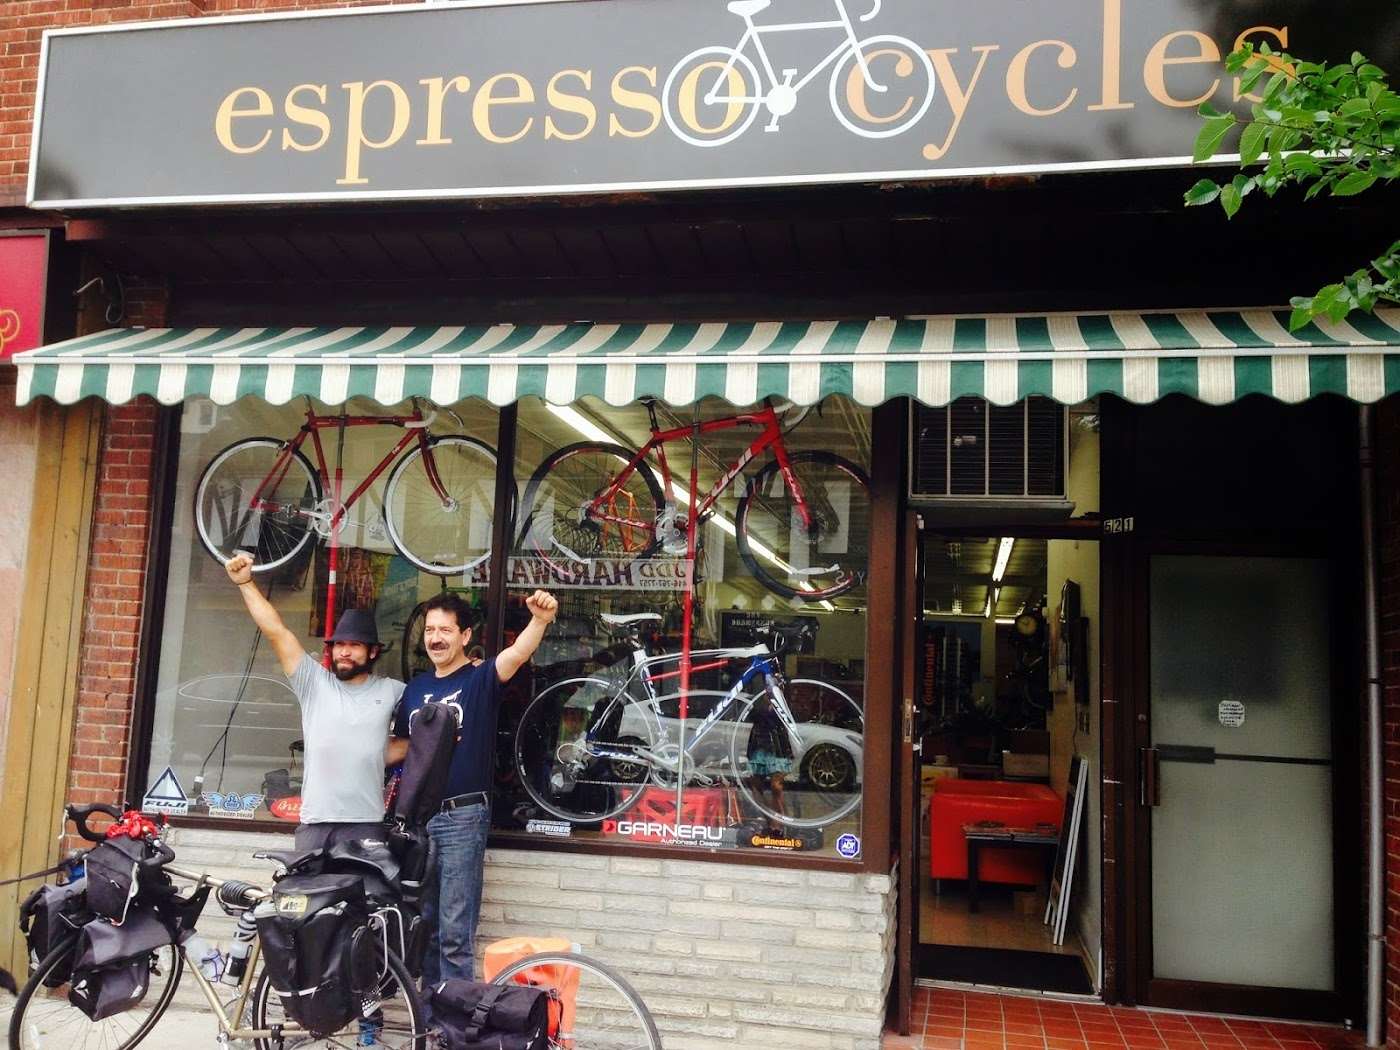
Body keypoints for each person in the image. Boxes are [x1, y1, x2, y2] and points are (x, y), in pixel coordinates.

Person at [388, 588, 558, 984]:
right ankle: (429, 1013)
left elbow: (517, 655)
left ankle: (455, 1015)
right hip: (419, 822)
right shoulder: (414, 689)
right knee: (425, 925)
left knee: (454, 932)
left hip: (462, 816)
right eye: (430, 630)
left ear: (465, 636)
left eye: (445, 630)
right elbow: (400, 748)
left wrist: (539, 620)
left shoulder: (479, 678)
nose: (435, 638)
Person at [224, 552, 405, 851]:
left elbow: (425, 733)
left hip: (365, 823)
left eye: (355, 645)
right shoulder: (314, 683)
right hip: (315, 823)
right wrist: (245, 583)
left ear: (373, 652)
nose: (344, 652)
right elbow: (276, 631)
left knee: (361, 886)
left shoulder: (393, 691)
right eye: (339, 645)